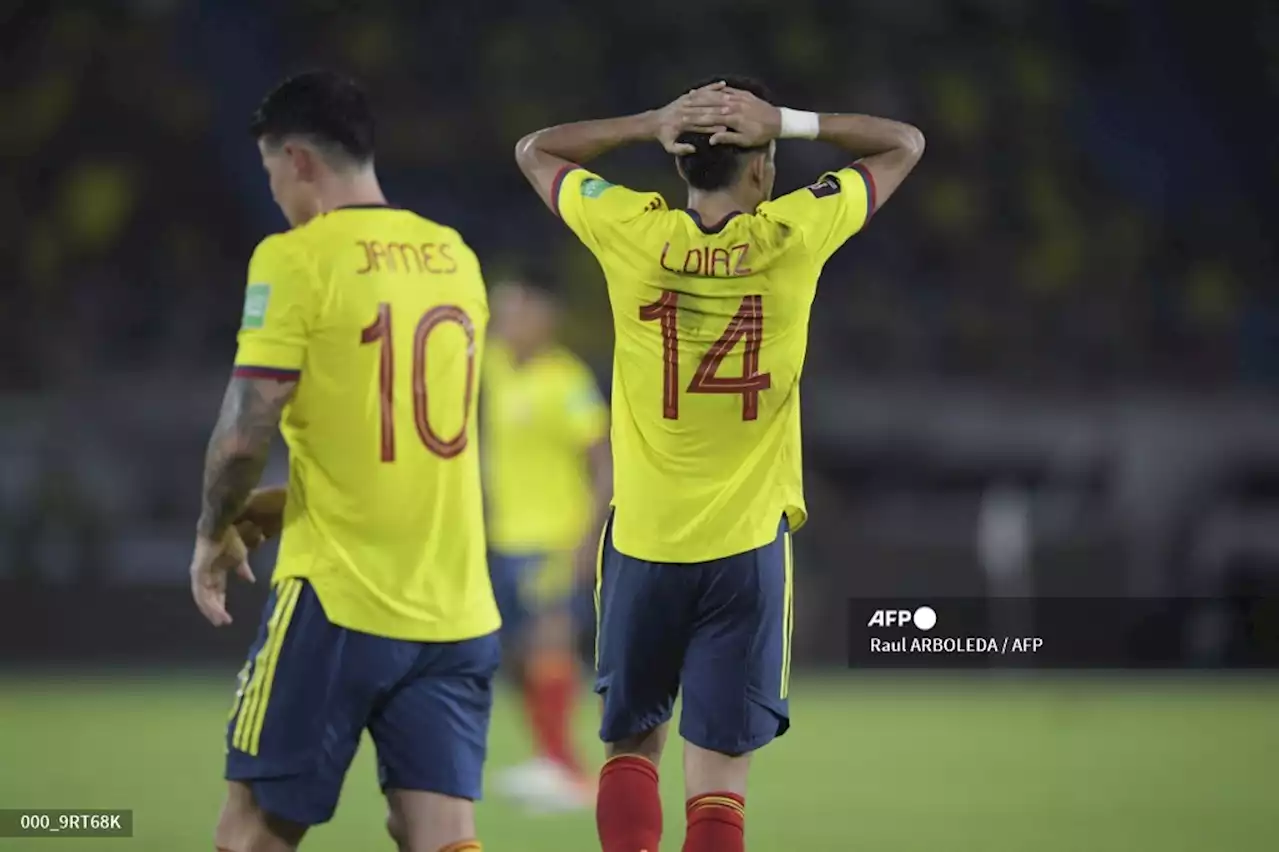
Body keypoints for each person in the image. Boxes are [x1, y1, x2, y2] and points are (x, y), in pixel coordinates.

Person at [514, 77, 924, 852]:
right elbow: (905, 142)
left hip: (642, 544)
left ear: (679, 165)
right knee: (720, 785)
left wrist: (646, 120)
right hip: (744, 550)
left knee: (632, 748)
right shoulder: (794, 234)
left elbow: (535, 151)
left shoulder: (628, 229)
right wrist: (791, 122)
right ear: (763, 170)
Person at [187, 70, 500, 852]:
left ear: (297, 160)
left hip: (340, 601)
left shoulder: (298, 258)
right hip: (456, 607)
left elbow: (240, 434)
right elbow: (385, 450)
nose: (273, 194)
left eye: (269, 174)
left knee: (250, 829)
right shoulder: (455, 257)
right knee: (439, 833)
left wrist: (213, 529)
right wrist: (267, 511)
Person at [482, 280, 612, 811]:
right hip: (505, 540)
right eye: (500, 314)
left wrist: (588, 540)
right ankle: (548, 759)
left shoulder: (567, 380)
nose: (504, 323)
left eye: (515, 314)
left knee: (550, 647)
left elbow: (604, 465)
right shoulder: (493, 368)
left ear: (544, 319)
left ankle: (570, 771)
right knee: (518, 657)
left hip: (555, 539)